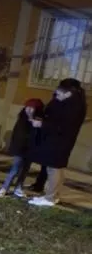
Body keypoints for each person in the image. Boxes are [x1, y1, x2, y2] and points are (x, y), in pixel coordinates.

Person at [29, 78, 87, 207]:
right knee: (57, 168)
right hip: (60, 140)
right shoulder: (73, 102)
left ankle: (50, 198)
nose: (57, 94)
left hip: (59, 141)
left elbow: (62, 125)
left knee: (53, 168)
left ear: (68, 92)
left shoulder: (73, 105)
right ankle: (53, 196)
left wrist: (42, 124)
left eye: (60, 92)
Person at [0, 98, 44, 198]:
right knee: (15, 168)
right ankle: (5, 188)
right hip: (20, 148)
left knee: (25, 169)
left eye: (32, 108)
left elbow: (39, 135)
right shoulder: (22, 119)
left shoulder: (39, 121)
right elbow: (17, 135)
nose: (29, 110)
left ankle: (19, 187)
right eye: (27, 107)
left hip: (31, 149)